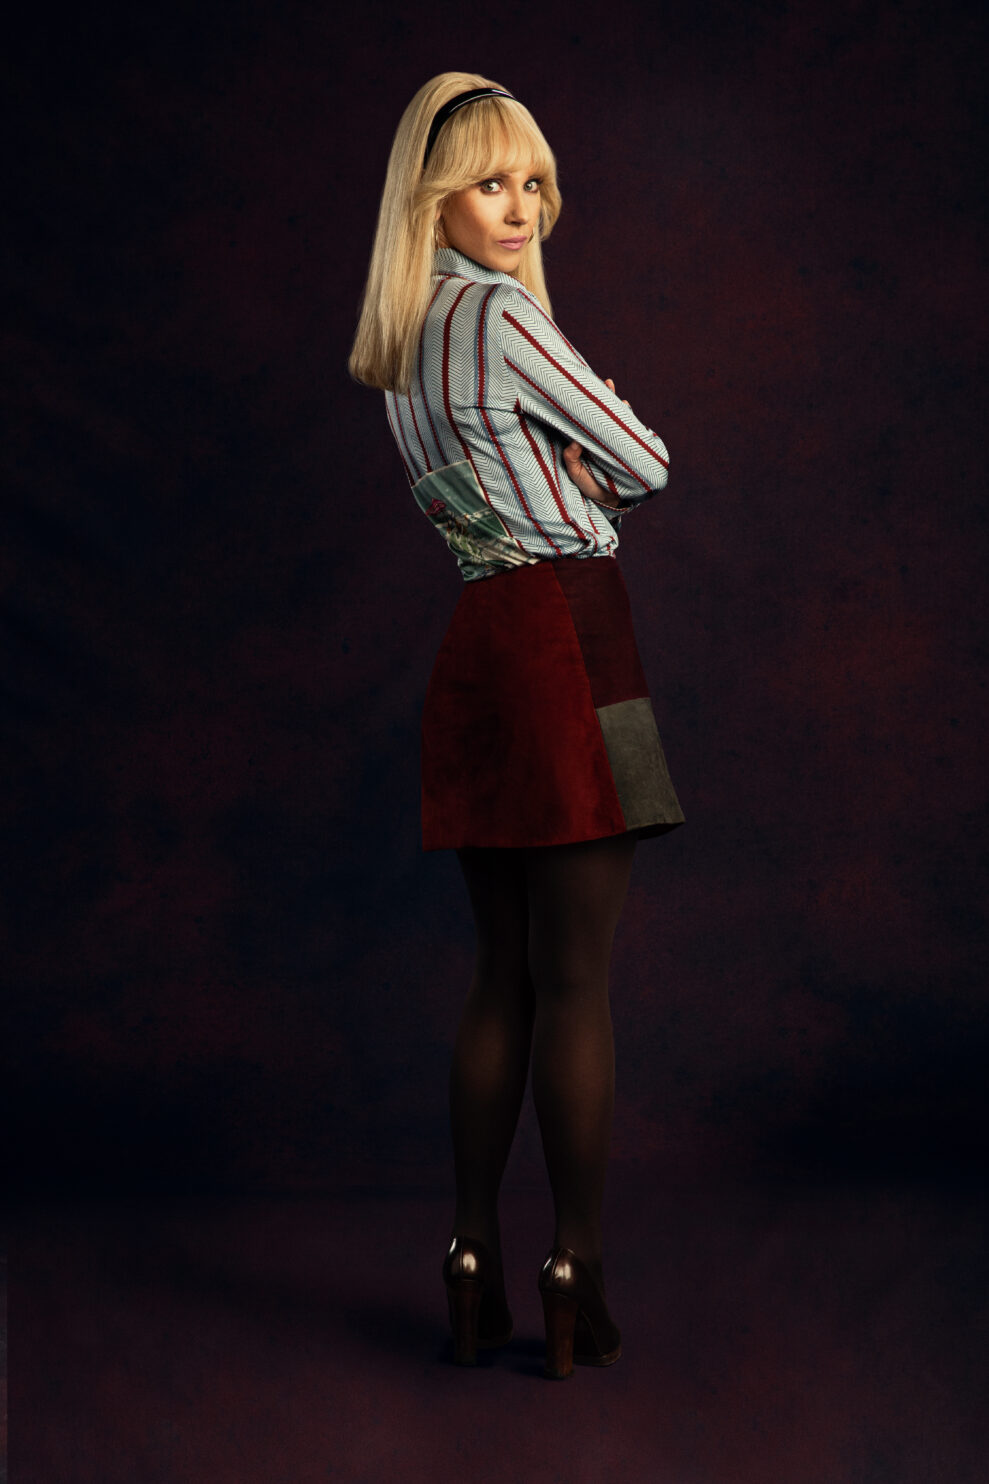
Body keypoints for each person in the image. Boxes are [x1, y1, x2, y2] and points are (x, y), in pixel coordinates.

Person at [349, 71, 684, 1380]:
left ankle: (471, 1255)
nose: (519, 207)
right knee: (577, 981)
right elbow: (644, 463)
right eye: (489, 182)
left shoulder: (401, 342)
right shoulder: (497, 316)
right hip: (571, 633)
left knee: (502, 972)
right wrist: (593, 469)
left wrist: (565, 470)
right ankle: (574, 1272)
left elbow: (482, 501)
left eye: (532, 184)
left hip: (480, 640)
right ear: (432, 198)